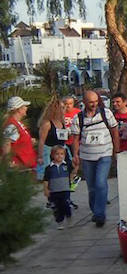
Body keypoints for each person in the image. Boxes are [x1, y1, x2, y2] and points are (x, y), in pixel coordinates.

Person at [71, 90, 119, 226]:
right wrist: (75, 155)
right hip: (87, 156)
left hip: (104, 153)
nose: (94, 104)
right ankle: (95, 210)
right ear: (84, 102)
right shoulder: (78, 118)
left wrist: (116, 150)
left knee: (100, 182)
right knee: (92, 187)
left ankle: (100, 214)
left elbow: (114, 130)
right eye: (91, 102)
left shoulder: (106, 113)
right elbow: (75, 138)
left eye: (96, 101)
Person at [37, 95, 69, 177]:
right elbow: (41, 141)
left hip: (62, 151)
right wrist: (40, 156)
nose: (65, 109)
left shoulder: (62, 122)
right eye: (62, 107)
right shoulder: (47, 123)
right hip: (50, 152)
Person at [43, 145, 73, 229]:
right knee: (56, 207)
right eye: (57, 154)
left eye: (62, 154)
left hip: (65, 189)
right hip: (54, 191)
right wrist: (46, 189)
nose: (59, 156)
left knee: (66, 204)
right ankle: (60, 221)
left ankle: (68, 216)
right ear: (52, 155)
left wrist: (71, 182)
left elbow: (73, 172)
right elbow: (46, 180)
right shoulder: (49, 168)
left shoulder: (67, 166)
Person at [3, 96, 37, 170]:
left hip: (25, 165)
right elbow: (7, 143)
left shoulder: (17, 123)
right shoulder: (12, 125)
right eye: (24, 106)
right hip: (19, 167)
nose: (26, 108)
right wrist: (8, 162)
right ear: (19, 109)